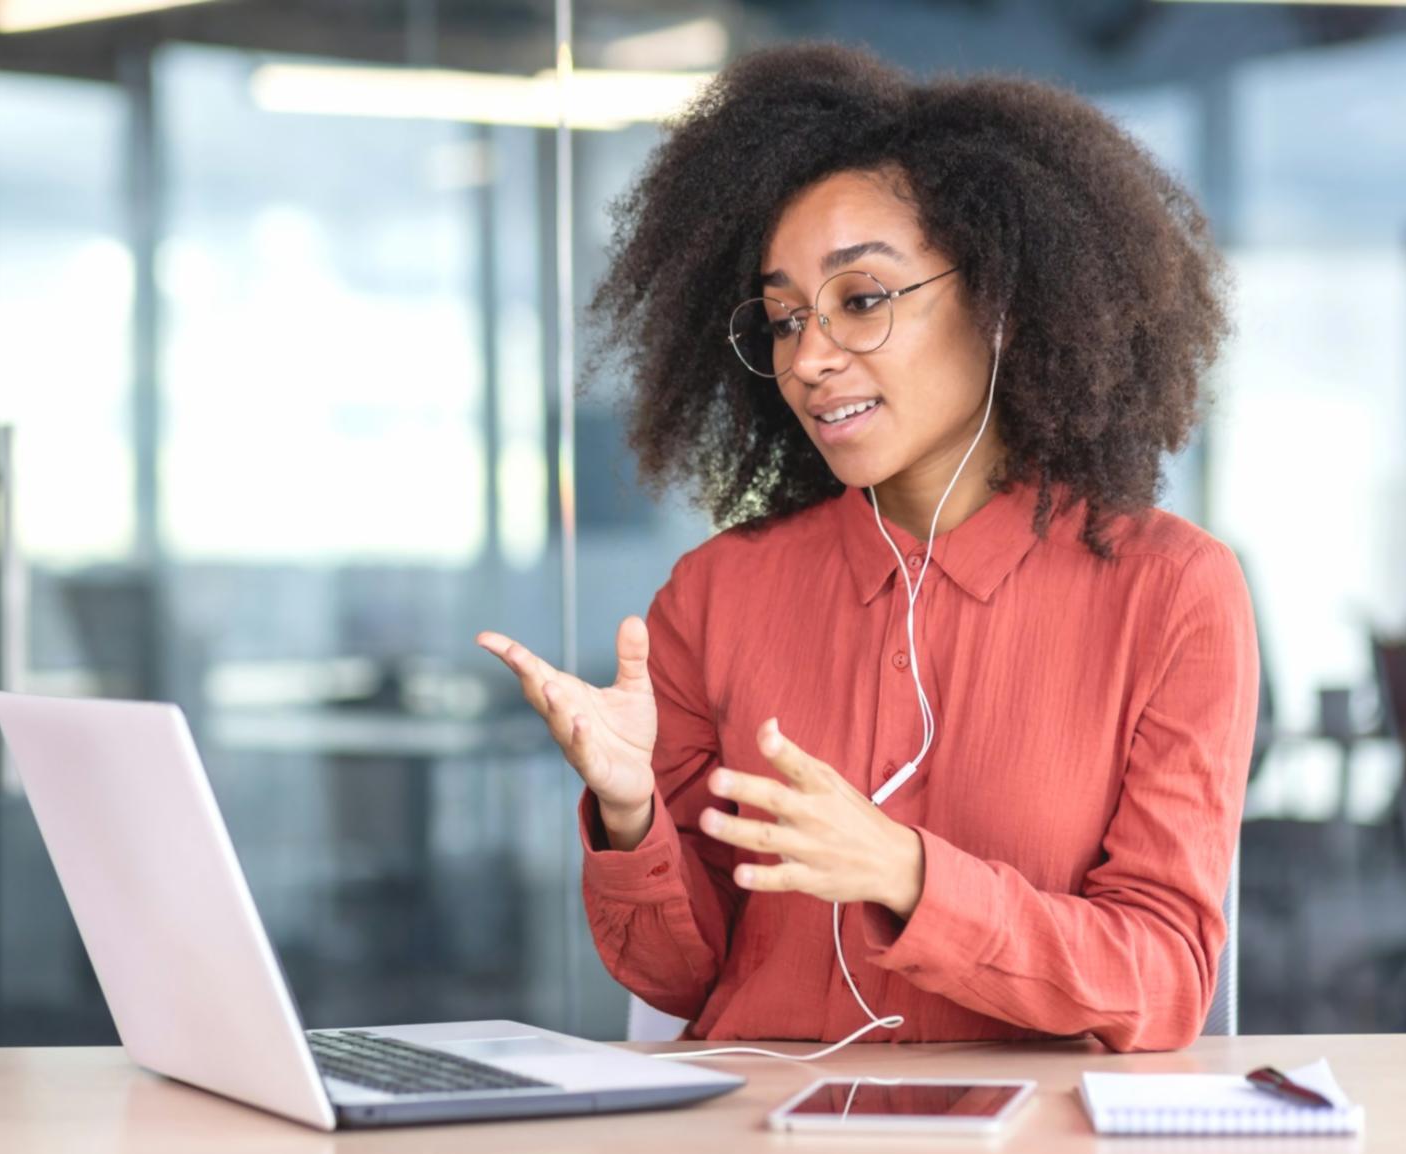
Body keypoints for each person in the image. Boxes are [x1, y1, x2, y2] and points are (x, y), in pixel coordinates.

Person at [477, 43, 1258, 1053]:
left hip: (1028, 1152)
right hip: (750, 1145)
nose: (808, 357)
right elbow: (677, 977)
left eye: (860, 299)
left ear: (1001, 304)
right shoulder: (717, 594)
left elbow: (1159, 982)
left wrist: (905, 872)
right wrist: (630, 816)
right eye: (781, 318)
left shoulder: (1170, 591)